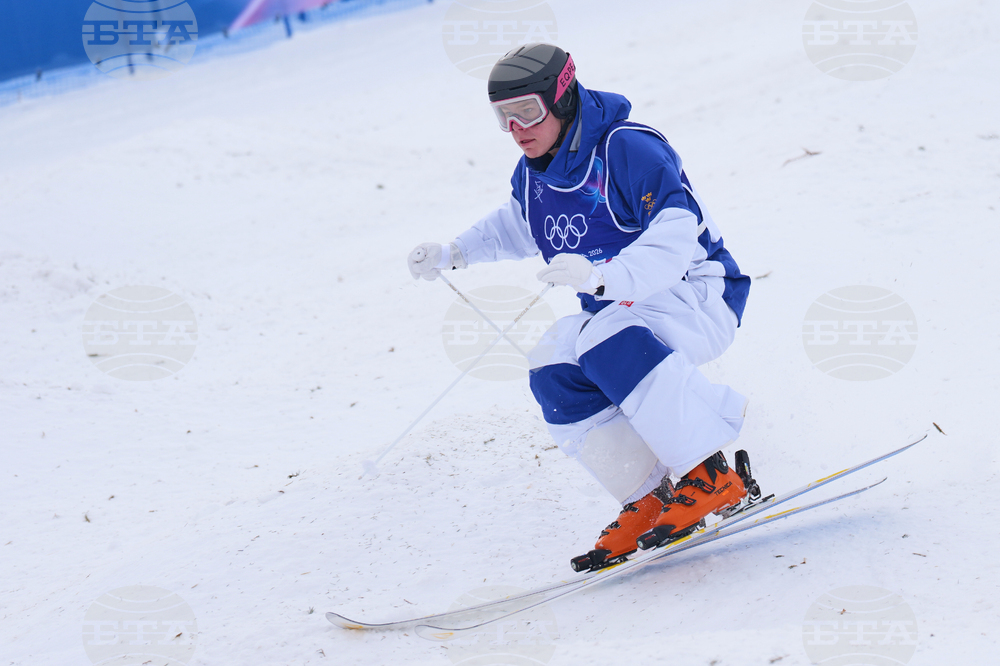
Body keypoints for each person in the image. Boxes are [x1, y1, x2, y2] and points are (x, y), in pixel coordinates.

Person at [408, 44, 758, 572]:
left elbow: (676, 236)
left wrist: (602, 277)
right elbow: (515, 226)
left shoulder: (628, 150)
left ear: (563, 97)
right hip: (623, 311)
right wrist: (452, 253)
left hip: (700, 295)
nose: (517, 128)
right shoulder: (533, 174)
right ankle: (649, 497)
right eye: (503, 116)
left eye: (527, 110)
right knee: (550, 358)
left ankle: (713, 475)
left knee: (602, 332)